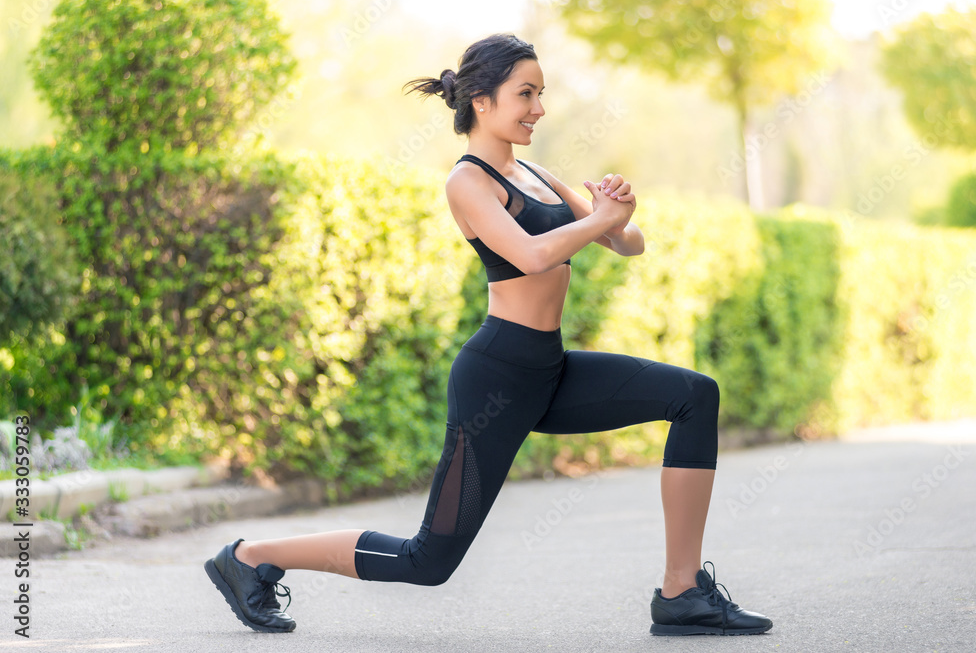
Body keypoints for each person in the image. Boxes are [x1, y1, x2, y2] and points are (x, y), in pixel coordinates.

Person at [204, 33, 772, 637]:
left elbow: (625, 243)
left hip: (549, 371)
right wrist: (600, 221)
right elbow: (529, 256)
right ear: (481, 100)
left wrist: (617, 212)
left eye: (541, 94)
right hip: (496, 379)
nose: (538, 108)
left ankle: (681, 592)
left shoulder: (537, 174)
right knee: (428, 561)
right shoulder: (467, 182)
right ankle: (249, 559)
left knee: (694, 395)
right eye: (525, 94)